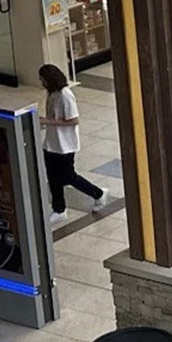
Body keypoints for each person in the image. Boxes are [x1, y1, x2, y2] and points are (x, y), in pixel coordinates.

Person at [36, 65, 108, 224]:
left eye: (43, 80)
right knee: (53, 178)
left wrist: (47, 121)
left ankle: (97, 194)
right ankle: (59, 209)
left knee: (68, 176)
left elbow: (73, 120)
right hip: (51, 143)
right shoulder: (52, 94)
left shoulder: (65, 96)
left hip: (65, 145)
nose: (41, 83)